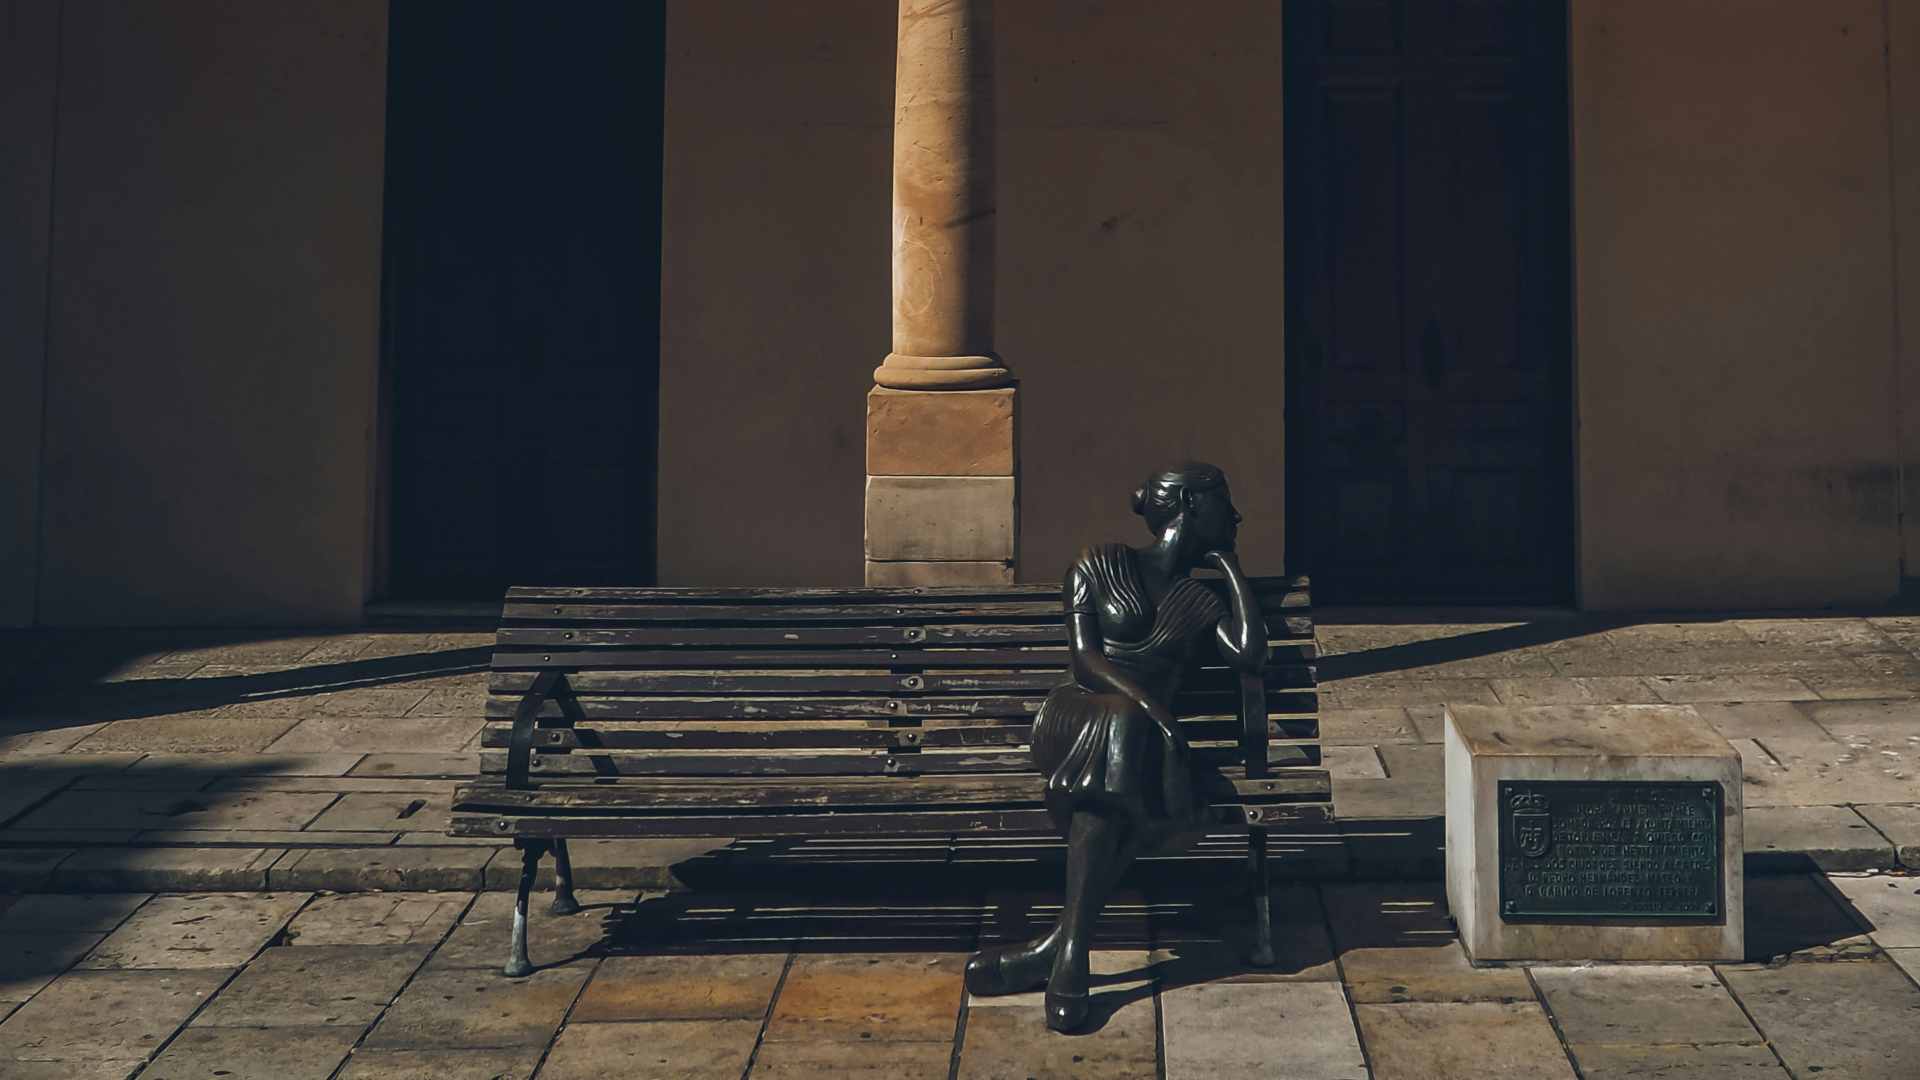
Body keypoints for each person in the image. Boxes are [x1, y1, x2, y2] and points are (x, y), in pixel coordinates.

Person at [964, 461, 1269, 1031]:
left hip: (1138, 745)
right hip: (1076, 717)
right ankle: (1066, 955)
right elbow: (1085, 661)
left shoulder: (1202, 601)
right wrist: (1153, 709)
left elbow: (1251, 656)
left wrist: (1230, 567)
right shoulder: (1100, 563)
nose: (1236, 515)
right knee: (1123, 724)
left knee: (1121, 765)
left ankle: (1061, 953)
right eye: (1224, 502)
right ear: (1190, 504)